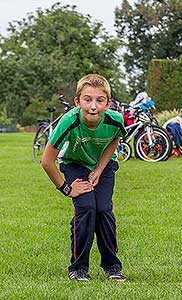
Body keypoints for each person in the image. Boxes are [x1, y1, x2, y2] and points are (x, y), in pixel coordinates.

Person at [41, 74, 127, 281]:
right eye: (87, 99)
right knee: (87, 208)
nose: (93, 106)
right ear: (77, 101)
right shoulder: (69, 122)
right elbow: (47, 161)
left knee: (104, 210)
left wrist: (99, 169)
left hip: (103, 165)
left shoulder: (115, 120)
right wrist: (67, 189)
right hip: (75, 164)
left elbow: (115, 140)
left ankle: (112, 266)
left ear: (108, 103)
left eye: (100, 100)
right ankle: (78, 268)